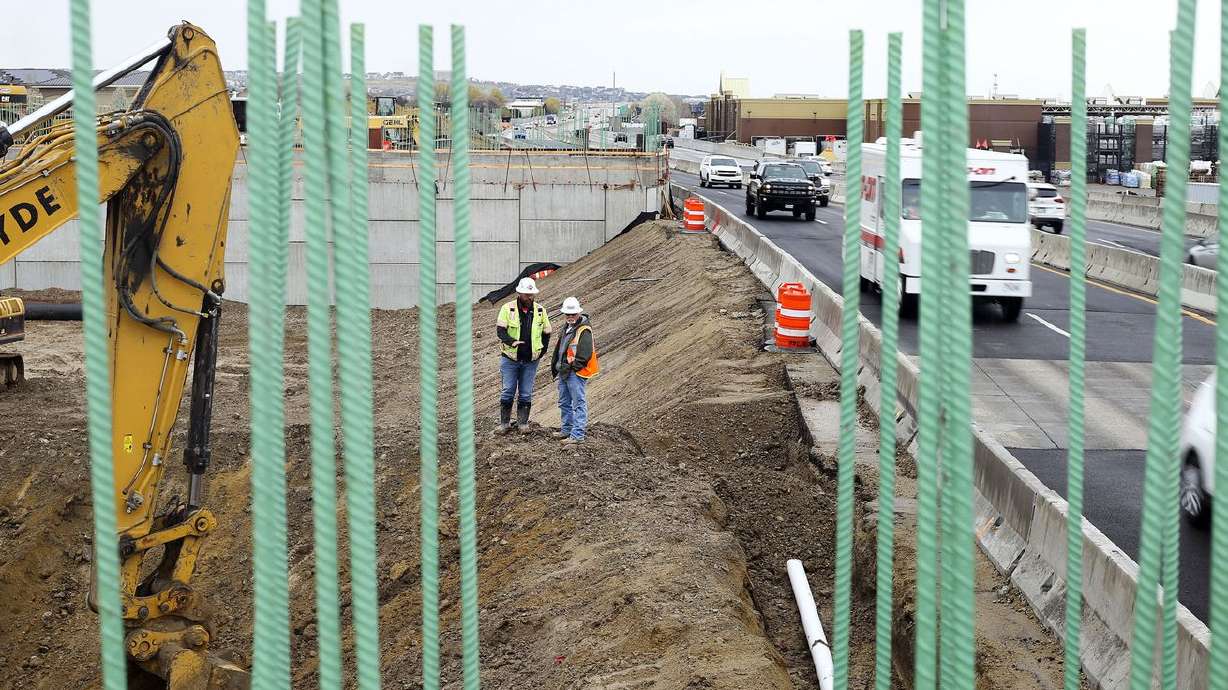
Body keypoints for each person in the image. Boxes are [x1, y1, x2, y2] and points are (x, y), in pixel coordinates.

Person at [495, 277, 552, 434]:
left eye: (532, 294)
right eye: (527, 294)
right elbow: (500, 331)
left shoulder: (540, 311)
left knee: (526, 392)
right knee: (508, 390)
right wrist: (511, 341)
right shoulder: (508, 308)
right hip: (510, 358)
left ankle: (522, 424)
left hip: (531, 361)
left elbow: (547, 332)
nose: (530, 297)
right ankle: (504, 424)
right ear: (519, 293)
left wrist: (542, 351)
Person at [551, 297, 599, 445]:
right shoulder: (567, 328)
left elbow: (584, 355)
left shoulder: (584, 330)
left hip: (576, 373)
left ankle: (577, 435)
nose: (570, 317)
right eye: (568, 314)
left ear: (578, 313)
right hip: (565, 371)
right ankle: (567, 429)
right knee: (564, 402)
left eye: (573, 314)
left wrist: (571, 367)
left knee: (578, 403)